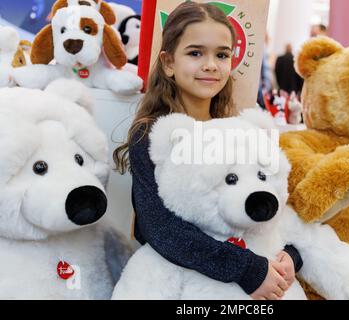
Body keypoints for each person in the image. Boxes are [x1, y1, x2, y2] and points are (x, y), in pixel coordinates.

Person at [113, 2, 302, 300]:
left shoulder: (237, 130)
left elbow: (274, 207)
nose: (211, 64)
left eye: (222, 54)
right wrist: (248, 270)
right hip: (183, 285)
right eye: (195, 53)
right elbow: (157, 229)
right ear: (168, 62)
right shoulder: (151, 135)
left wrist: (290, 255)